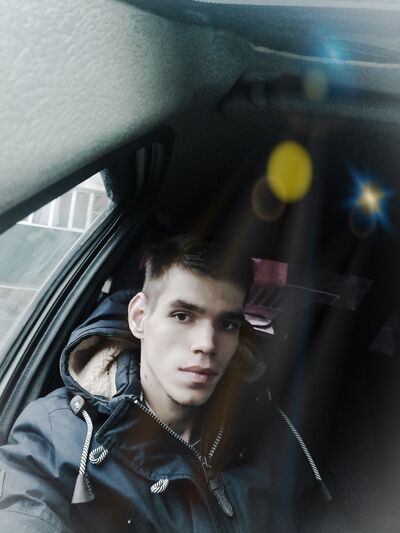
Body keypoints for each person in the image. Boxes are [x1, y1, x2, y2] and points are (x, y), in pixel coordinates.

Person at [0, 234, 328, 532]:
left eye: (227, 324)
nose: (207, 344)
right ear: (140, 317)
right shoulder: (58, 438)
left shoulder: (270, 432)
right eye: (182, 316)